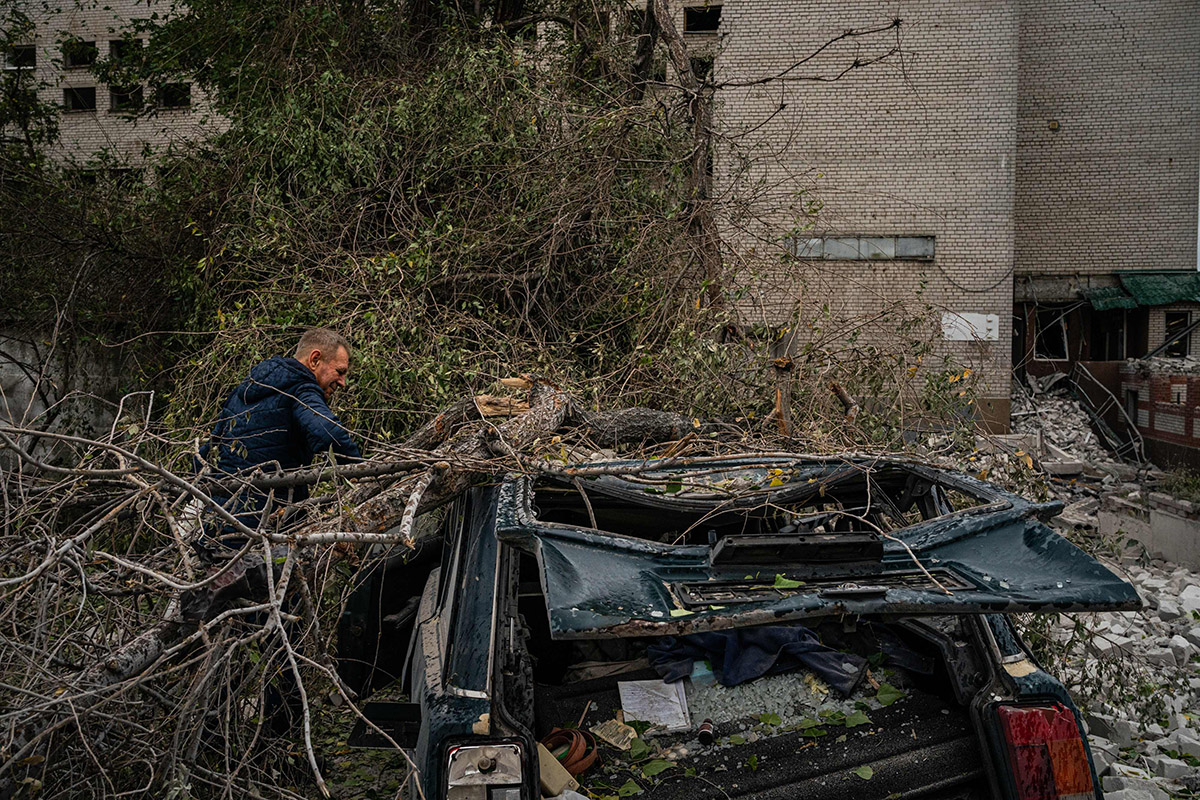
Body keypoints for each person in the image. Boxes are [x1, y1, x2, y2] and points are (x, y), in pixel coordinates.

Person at [198, 327, 362, 547]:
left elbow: (208, 451)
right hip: (263, 531)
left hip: (220, 523)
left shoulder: (245, 388)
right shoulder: (301, 387)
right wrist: (363, 473)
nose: (342, 382)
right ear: (314, 360)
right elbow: (327, 432)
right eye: (340, 371)